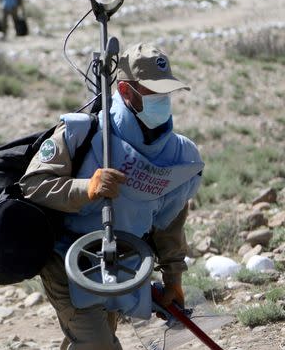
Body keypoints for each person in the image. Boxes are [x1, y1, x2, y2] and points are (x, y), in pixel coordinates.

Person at [19, 44, 203, 350]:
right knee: (99, 343)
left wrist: (173, 278)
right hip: (67, 261)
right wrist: (86, 189)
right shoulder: (82, 133)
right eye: (153, 92)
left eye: (166, 92)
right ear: (125, 91)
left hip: (121, 265)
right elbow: (33, 185)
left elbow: (170, 221)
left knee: (92, 337)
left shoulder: (178, 155)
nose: (162, 101)